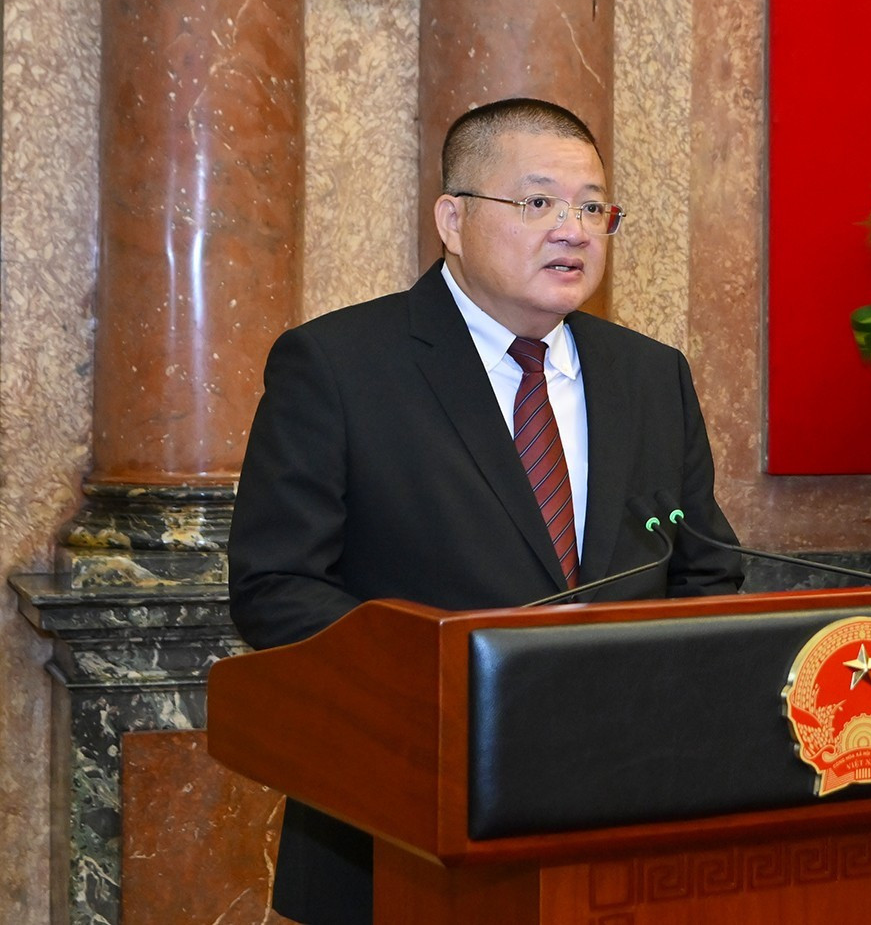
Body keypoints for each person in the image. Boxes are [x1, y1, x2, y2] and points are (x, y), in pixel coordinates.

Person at [230, 96, 743, 925]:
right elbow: (276, 586)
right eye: (537, 202)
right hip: (402, 823)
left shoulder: (652, 375)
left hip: (621, 824)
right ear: (454, 218)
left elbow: (706, 569)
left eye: (590, 207)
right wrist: (452, 687)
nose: (573, 228)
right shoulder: (338, 365)